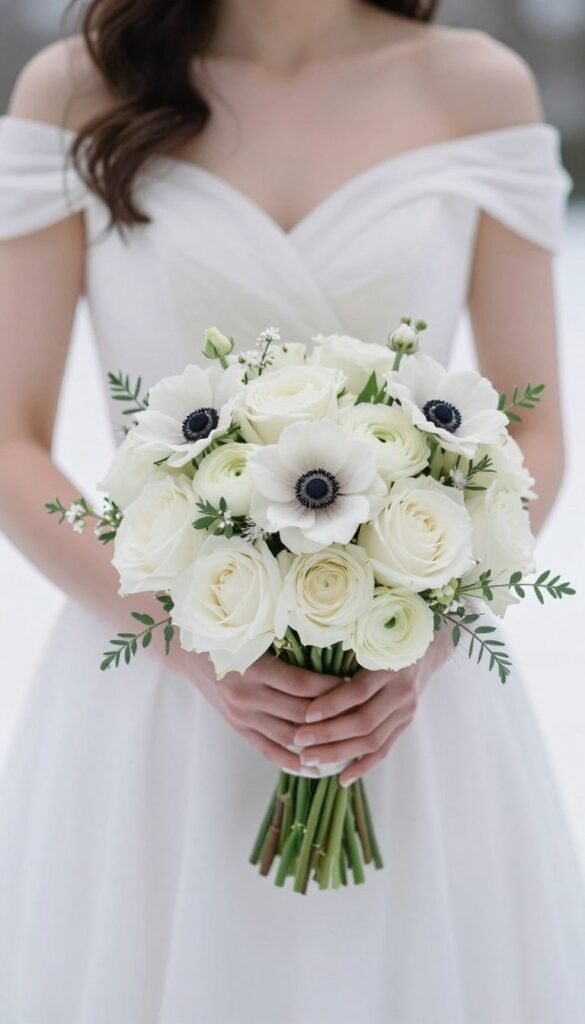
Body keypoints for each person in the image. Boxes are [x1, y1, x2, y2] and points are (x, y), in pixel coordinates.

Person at [0, 1, 584, 1020]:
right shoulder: (76, 88)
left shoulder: (477, 86)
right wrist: (183, 636)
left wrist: (424, 636)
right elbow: (10, 437)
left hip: (411, 705)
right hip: (152, 693)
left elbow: (535, 433)